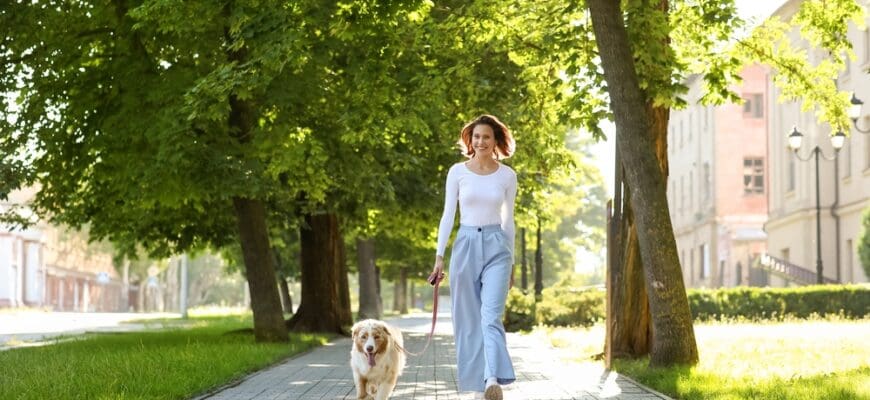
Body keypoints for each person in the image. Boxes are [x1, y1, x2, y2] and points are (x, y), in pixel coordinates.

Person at [431, 114, 517, 400]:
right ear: (470, 140)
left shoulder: (507, 175)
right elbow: (447, 215)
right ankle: (479, 384)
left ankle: (492, 379)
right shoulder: (457, 172)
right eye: (476, 137)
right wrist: (439, 256)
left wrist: (512, 259)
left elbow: (509, 220)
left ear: (496, 142)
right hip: (465, 243)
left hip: (497, 246)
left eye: (486, 137)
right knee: (468, 319)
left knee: (490, 316)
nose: (480, 142)